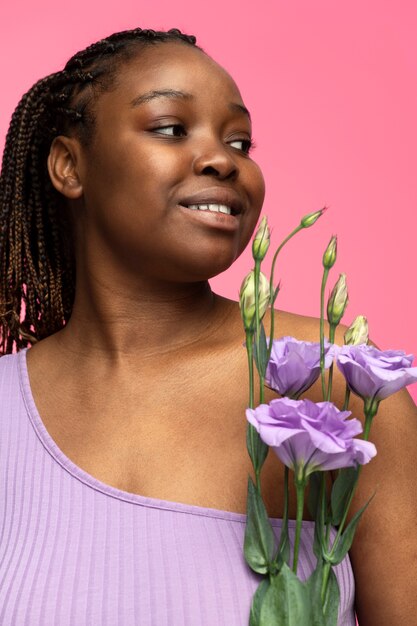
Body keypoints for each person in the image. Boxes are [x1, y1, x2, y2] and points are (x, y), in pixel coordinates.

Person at [0, 27, 415, 626]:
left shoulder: (340, 380)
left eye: (241, 142)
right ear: (69, 165)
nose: (224, 159)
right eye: (171, 128)